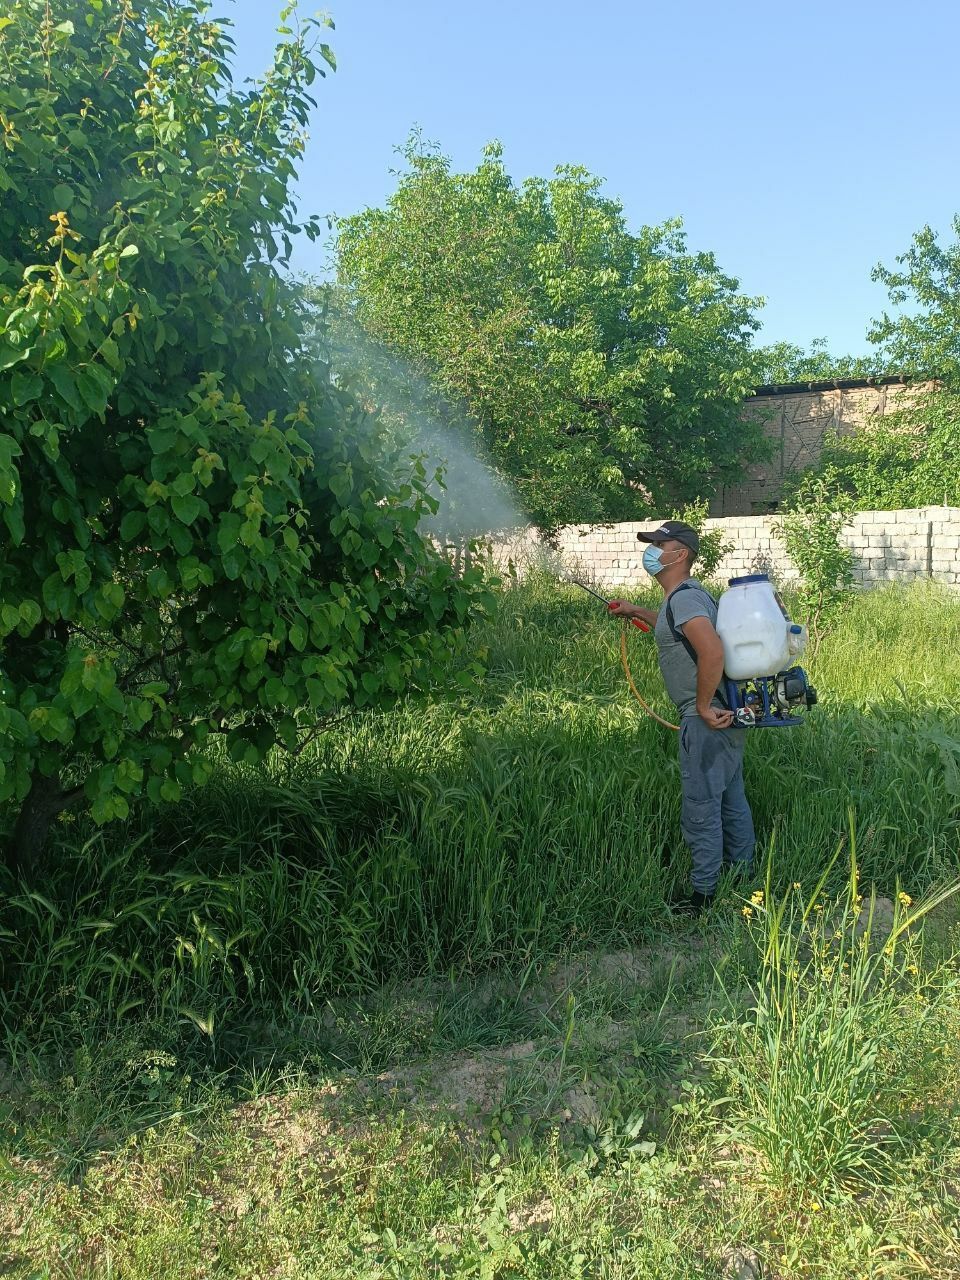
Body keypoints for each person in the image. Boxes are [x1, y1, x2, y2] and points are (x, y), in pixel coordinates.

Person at [608, 520, 755, 917]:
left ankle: (702, 897)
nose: (652, 551)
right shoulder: (688, 597)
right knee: (730, 800)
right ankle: (743, 879)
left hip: (706, 719)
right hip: (725, 715)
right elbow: (677, 627)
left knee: (701, 807)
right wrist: (635, 610)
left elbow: (711, 652)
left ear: (681, 554)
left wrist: (703, 708)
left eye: (661, 544)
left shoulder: (685, 599)